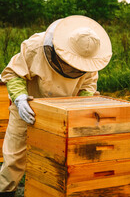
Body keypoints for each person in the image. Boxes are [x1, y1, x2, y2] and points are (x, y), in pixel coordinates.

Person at [0, 15, 112, 196]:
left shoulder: (90, 58)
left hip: (65, 114)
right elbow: (13, 73)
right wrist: (20, 99)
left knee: (56, 160)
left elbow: (88, 86)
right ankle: (5, 190)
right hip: (29, 108)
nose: (76, 70)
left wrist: (81, 108)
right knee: (14, 157)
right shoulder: (35, 46)